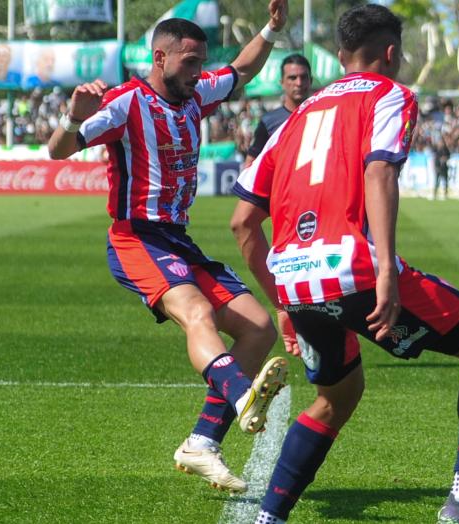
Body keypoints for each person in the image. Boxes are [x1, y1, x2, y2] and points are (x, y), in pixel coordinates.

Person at [229, 5, 459, 524]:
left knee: (336, 397)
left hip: (296, 283)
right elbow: (380, 172)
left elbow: (243, 224)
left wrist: (283, 303)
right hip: (354, 270)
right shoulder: (389, 94)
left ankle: (268, 518)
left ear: (341, 57)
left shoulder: (293, 118)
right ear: (390, 53)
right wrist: (386, 269)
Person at [47, 3, 292, 496]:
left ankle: (202, 443)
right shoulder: (126, 102)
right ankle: (242, 395)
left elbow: (242, 69)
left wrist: (271, 29)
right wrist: (73, 119)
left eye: (201, 63)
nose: (198, 72)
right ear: (159, 58)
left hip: (179, 240)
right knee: (197, 312)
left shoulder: (195, 93)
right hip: (136, 236)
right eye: (188, 62)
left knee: (259, 328)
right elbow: (58, 150)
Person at [243, 53, 313, 169]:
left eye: (303, 77)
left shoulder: (324, 116)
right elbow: (250, 165)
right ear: (282, 83)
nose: (299, 83)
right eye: (292, 78)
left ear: (311, 80)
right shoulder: (269, 122)